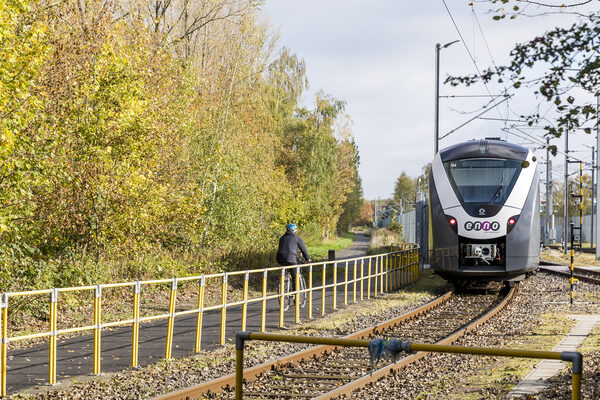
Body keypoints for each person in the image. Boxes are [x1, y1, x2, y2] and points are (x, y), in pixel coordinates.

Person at [276, 223, 311, 289]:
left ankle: (283, 285)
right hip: (290, 259)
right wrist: (307, 258)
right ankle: (295, 295)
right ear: (294, 230)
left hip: (279, 259)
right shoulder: (297, 238)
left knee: (285, 271)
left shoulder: (282, 238)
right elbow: (303, 249)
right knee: (295, 276)